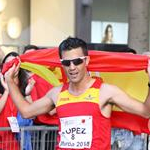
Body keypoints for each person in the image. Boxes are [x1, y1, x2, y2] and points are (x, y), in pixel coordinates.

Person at [3, 37, 150, 150]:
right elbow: (27, 111)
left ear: (86, 61)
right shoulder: (56, 93)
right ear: (62, 64)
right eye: (67, 63)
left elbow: (145, 111)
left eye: (77, 61)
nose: (72, 67)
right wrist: (10, 81)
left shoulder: (106, 91)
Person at [0, 52, 31, 150]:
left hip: (17, 138)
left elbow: (32, 112)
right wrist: (7, 90)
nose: (11, 67)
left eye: (15, 63)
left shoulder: (26, 84)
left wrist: (27, 94)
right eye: (8, 64)